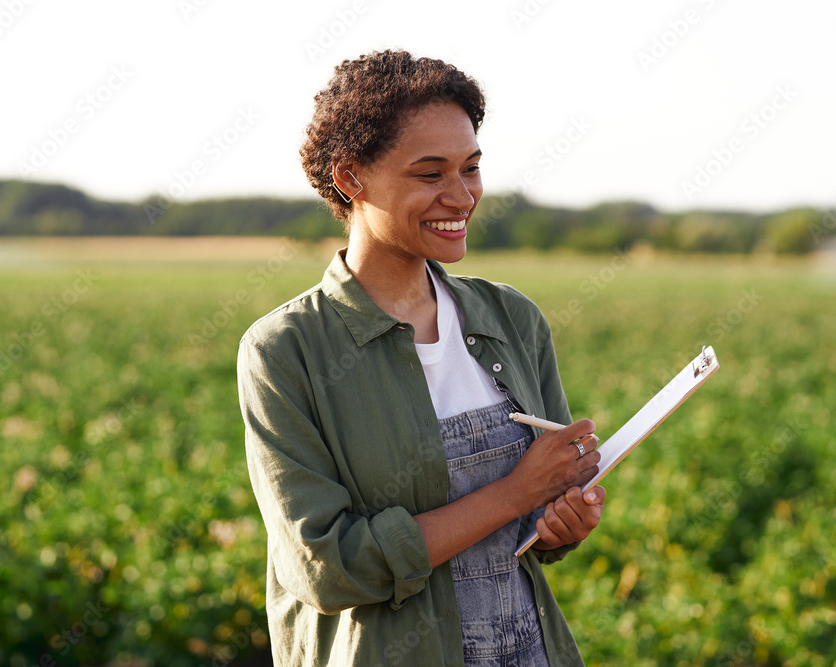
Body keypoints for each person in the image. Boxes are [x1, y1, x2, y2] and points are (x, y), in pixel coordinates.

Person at [237, 49, 607, 667]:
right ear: (351, 178)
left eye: (472, 168)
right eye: (430, 174)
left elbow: (542, 516)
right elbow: (326, 568)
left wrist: (560, 520)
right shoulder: (287, 351)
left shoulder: (511, 319)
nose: (461, 196)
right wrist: (516, 495)